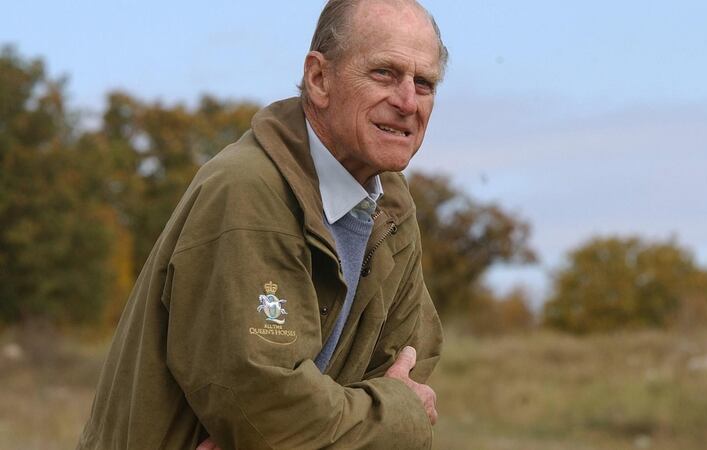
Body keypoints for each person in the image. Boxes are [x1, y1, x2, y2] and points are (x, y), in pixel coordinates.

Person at [77, 0, 447, 448]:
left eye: (424, 83)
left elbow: (409, 360)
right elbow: (271, 414)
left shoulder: (390, 205)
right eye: (384, 74)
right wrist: (399, 419)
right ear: (318, 79)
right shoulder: (249, 193)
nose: (408, 101)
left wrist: (323, 423)